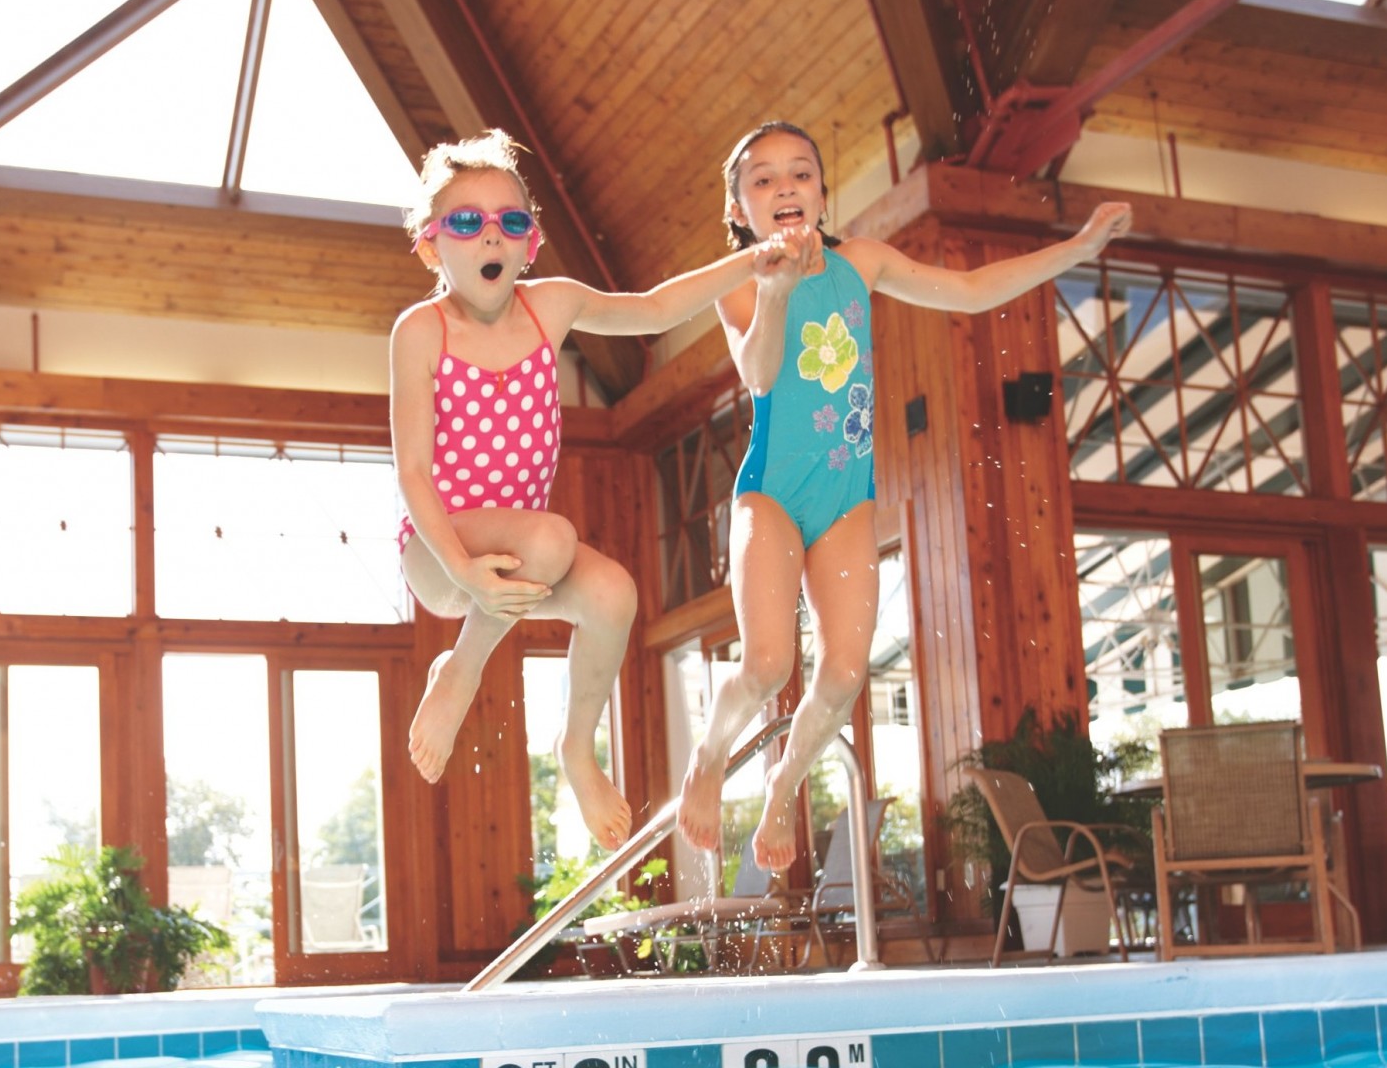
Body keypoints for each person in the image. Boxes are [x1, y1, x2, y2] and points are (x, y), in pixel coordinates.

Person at [678, 120, 1134, 869]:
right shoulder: (736, 281)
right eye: (763, 179)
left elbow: (973, 291)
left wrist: (1076, 251)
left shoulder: (862, 262)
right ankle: (709, 755)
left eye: (800, 173)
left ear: (822, 193)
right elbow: (759, 374)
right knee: (765, 666)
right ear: (739, 210)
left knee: (844, 675)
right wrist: (777, 290)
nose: (785, 186)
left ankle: (785, 783)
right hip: (772, 491)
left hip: (847, 494)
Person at [392, 128, 815, 851]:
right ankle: (460, 670)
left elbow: (652, 309)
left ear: (530, 244)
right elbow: (413, 475)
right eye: (466, 221)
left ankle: (577, 746)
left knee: (615, 595)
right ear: (433, 247)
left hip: (528, 562)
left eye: (510, 221)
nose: (491, 235)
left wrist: (751, 261)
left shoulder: (550, 305)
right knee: (552, 535)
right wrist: (462, 571)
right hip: (438, 552)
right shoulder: (421, 331)